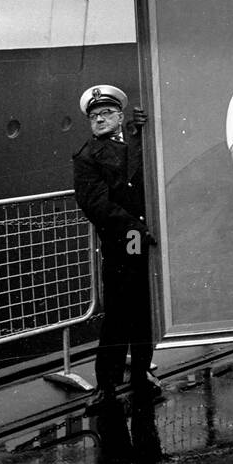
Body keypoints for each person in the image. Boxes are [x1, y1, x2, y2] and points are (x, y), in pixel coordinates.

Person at [72, 84, 161, 410]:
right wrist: (138, 228)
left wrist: (146, 125)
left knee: (142, 314)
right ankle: (106, 387)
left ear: (120, 116)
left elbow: (147, 168)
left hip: (143, 242)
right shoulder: (86, 157)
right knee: (117, 318)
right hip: (122, 243)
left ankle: (141, 374)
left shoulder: (138, 140)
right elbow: (97, 206)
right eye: (94, 116)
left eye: (106, 113)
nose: (99, 119)